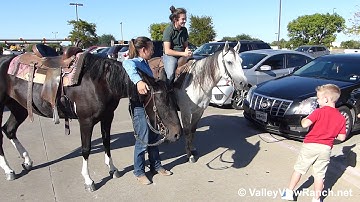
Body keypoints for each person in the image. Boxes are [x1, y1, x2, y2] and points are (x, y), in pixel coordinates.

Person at [281, 84, 347, 202]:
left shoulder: (318, 112)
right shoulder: (341, 117)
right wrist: (330, 134)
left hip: (310, 145)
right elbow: (342, 137)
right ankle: (316, 199)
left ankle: (289, 192)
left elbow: (305, 124)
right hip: (326, 148)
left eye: (318, 98)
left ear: (326, 99)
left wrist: (303, 119)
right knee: (319, 175)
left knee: (299, 169)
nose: (317, 100)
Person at [122, 36, 173, 185]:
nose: (153, 51)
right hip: (139, 106)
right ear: (144, 50)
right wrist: (138, 82)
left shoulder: (145, 63)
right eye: (151, 48)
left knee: (154, 137)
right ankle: (138, 171)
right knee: (143, 139)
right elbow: (127, 65)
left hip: (150, 106)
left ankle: (156, 165)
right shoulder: (133, 62)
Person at [162, 5, 192, 85]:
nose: (185, 21)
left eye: (185, 19)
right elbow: (167, 51)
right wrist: (183, 53)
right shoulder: (168, 30)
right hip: (170, 56)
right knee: (170, 74)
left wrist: (187, 51)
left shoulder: (184, 30)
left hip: (182, 54)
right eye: (183, 19)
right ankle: (167, 92)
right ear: (175, 19)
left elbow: (186, 45)